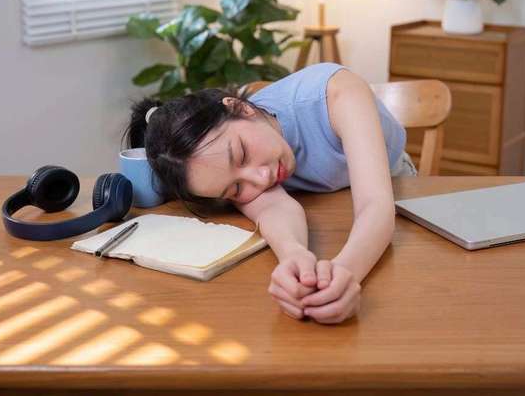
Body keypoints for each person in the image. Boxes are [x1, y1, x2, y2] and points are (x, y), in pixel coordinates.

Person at [124, 63, 417, 325]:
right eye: (235, 189)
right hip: (327, 203)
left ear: (241, 108)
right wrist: (293, 256)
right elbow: (272, 209)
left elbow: (374, 205)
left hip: (391, 182)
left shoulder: (338, 93)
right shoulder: (234, 170)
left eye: (241, 155)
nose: (261, 178)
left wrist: (345, 274)